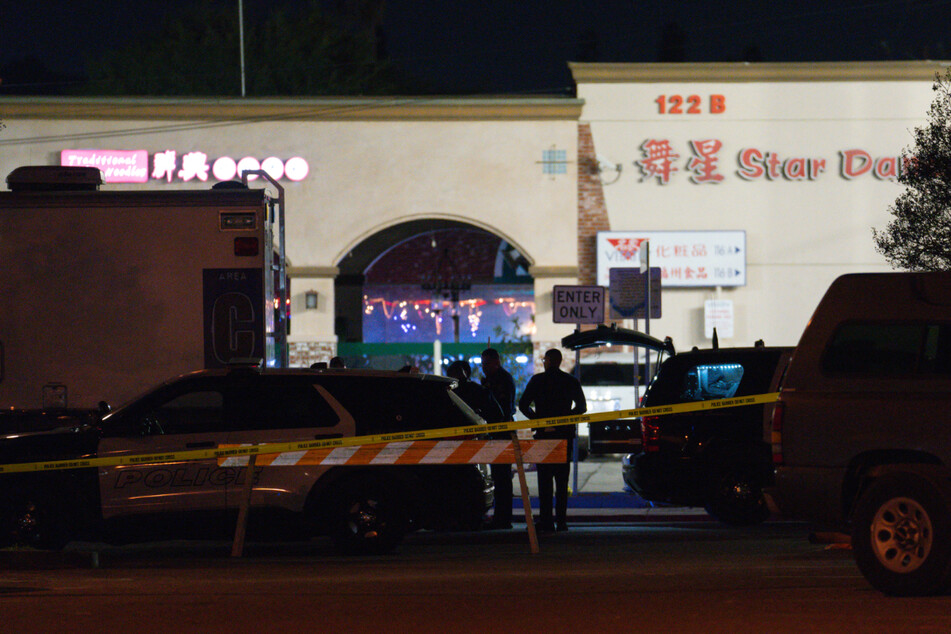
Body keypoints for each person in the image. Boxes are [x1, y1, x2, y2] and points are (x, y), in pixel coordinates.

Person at [518, 348, 586, 532]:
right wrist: (566, 419)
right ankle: (562, 521)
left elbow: (523, 404)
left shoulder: (538, 380)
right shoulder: (570, 381)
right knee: (562, 481)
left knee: (545, 480)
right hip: (564, 436)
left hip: (543, 436)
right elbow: (582, 407)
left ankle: (546, 521)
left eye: (544, 359)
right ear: (560, 361)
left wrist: (536, 421)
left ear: (548, 361)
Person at [480, 348, 517, 529]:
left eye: (486, 364)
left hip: (502, 433)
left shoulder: (502, 380)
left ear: (496, 362)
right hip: (496, 433)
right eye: (482, 364)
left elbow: (503, 408)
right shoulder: (492, 380)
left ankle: (503, 518)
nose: (483, 367)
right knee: (498, 476)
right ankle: (501, 516)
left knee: (502, 477)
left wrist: (486, 389)